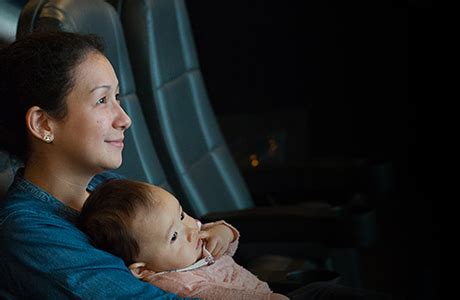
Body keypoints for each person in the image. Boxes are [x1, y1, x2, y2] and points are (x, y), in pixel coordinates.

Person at [0, 31, 182, 299]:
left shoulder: (104, 186)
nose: (124, 119)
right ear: (43, 124)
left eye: (117, 97)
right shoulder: (30, 233)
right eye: (101, 100)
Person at [79, 178, 289, 300]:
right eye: (173, 236)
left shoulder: (191, 241)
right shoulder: (177, 282)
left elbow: (226, 243)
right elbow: (216, 296)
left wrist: (224, 233)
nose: (190, 228)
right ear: (144, 270)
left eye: (181, 214)